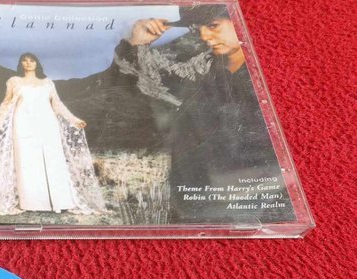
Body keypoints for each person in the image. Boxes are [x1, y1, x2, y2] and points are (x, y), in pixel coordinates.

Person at [114, 6, 291, 223]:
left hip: (258, 198)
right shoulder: (198, 70)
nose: (205, 36)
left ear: (240, 22)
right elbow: (135, 84)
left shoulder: (272, 73)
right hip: (195, 200)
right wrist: (135, 43)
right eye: (198, 30)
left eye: (213, 26)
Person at [0, 53, 106, 216]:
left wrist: (74, 119)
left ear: (37, 63)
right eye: (25, 60)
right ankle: (32, 203)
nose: (28, 63)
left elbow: (57, 104)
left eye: (32, 60)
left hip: (48, 124)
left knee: (53, 160)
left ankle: (60, 201)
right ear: (21, 63)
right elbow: (6, 102)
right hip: (23, 124)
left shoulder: (47, 83)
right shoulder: (14, 81)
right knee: (28, 162)